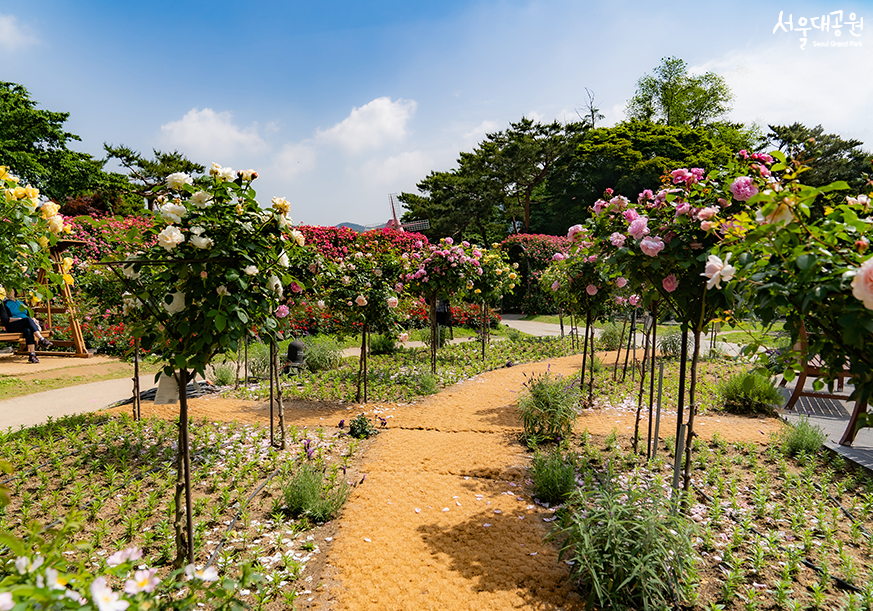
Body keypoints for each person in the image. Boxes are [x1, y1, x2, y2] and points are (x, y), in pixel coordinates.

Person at [0, 288, 52, 363]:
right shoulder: (3, 304)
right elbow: (5, 319)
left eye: (10, 290)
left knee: (27, 330)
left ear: (15, 291)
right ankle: (41, 339)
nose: (8, 292)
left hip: (26, 323)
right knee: (27, 320)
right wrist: (20, 319)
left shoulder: (21, 302)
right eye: (6, 290)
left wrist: (33, 319)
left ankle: (32, 354)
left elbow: (28, 314)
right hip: (13, 325)